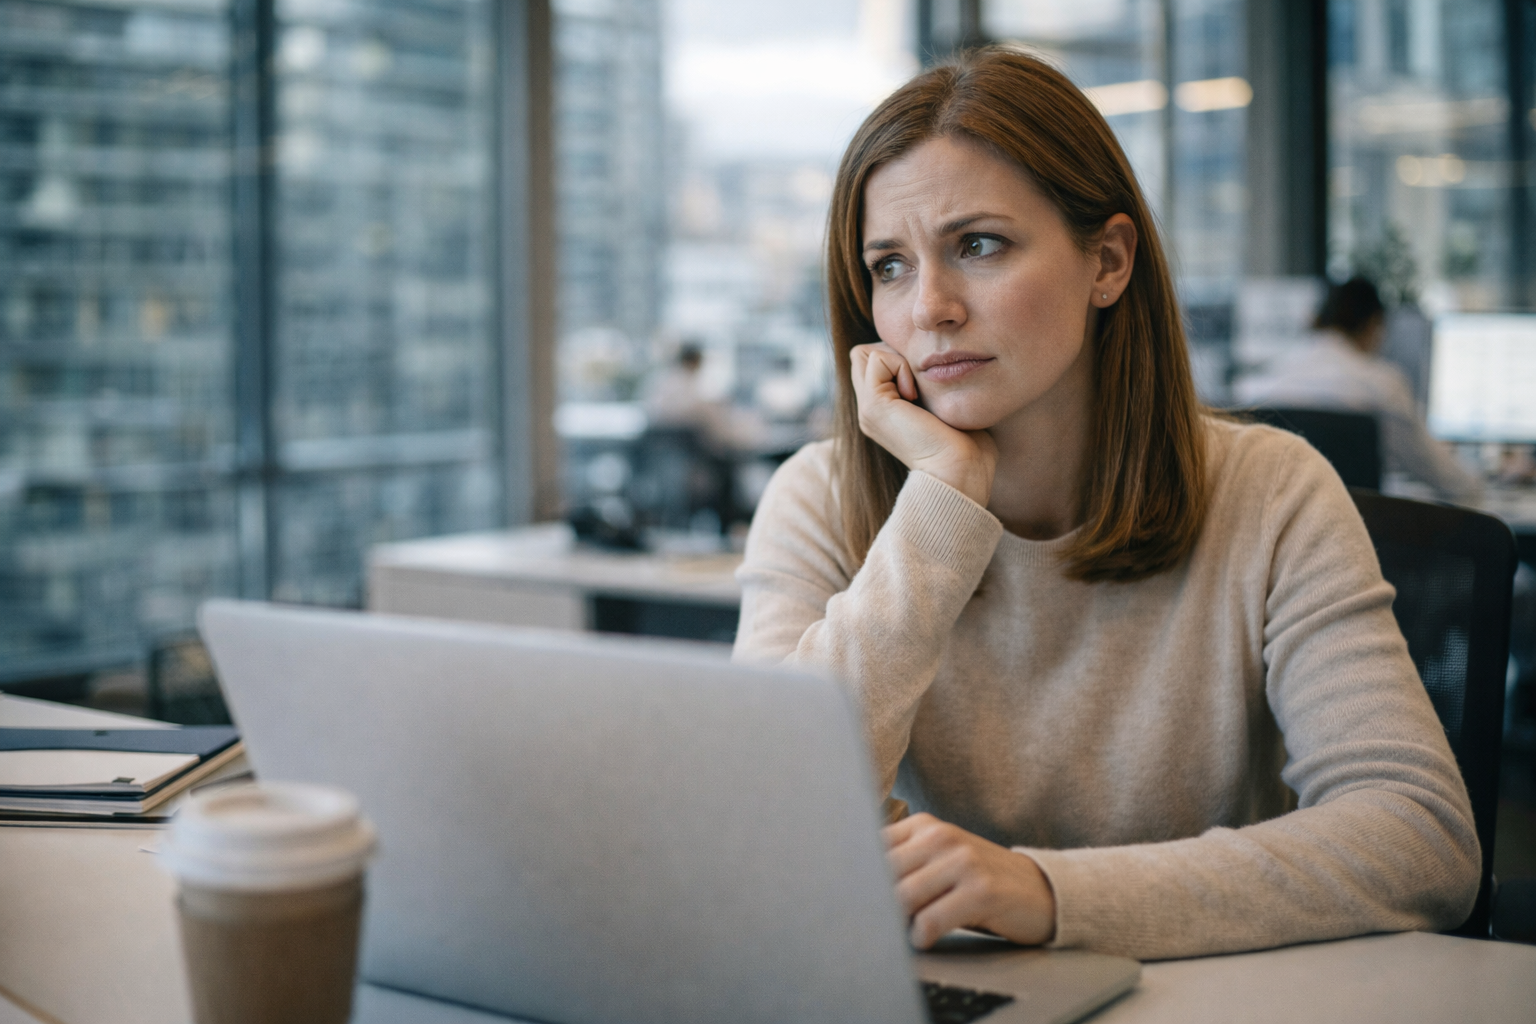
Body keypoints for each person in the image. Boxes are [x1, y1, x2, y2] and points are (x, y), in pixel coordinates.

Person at [731, 48, 1478, 962]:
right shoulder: (820, 497)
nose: (929, 308)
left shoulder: (1271, 491)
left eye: (979, 245)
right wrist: (940, 506)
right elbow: (766, 829)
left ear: (1109, 262)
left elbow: (1422, 839)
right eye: (888, 265)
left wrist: (1048, 894)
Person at [1235, 276, 1482, 502]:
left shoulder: (1258, 385)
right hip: (1358, 540)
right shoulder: (1381, 387)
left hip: (1282, 540)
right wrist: (1477, 486)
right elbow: (1439, 474)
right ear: (1373, 324)